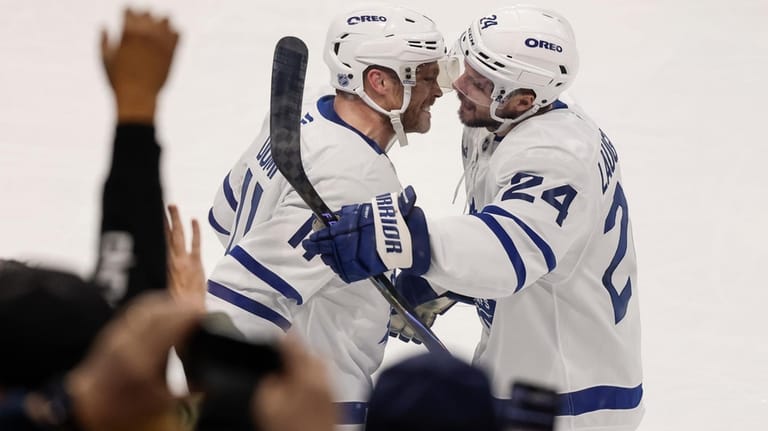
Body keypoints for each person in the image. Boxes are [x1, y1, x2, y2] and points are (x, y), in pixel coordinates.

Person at [303, 5, 643, 430]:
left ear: (522, 100)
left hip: (571, 401)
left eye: (480, 83)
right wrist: (439, 281)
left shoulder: (557, 157)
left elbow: (508, 251)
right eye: (468, 66)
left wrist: (403, 238)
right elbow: (509, 226)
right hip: (535, 367)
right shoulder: (502, 121)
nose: (459, 84)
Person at [204, 5, 449, 427]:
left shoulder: (305, 114)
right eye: (426, 76)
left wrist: (363, 295)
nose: (438, 90)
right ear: (379, 82)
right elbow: (240, 299)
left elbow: (225, 215)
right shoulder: (355, 176)